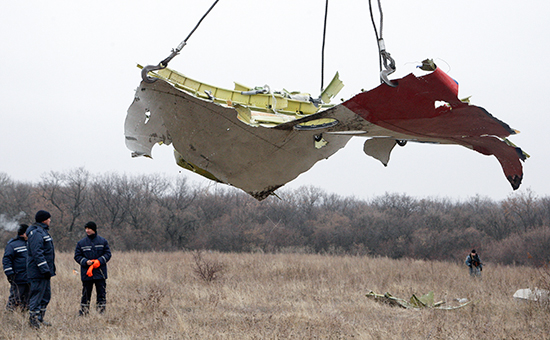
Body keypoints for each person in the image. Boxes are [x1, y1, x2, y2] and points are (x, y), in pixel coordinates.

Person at [74, 221, 111, 315]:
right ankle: (83, 312)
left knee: (101, 294)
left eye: (89, 229)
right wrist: (85, 262)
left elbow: (108, 254)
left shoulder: (103, 241)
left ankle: (101, 312)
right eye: (86, 229)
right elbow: (77, 256)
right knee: (86, 294)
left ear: (94, 229)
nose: (87, 230)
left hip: (100, 272)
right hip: (87, 273)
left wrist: (99, 261)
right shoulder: (81, 243)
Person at [26, 210, 56, 328]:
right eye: (48, 219)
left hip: (45, 272)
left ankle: (40, 318)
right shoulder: (36, 233)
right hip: (38, 272)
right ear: (44, 220)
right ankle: (33, 321)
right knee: (37, 295)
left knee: (45, 295)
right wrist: (44, 268)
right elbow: (37, 253)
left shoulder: (43, 232)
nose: (49, 221)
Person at [2, 224, 31, 311]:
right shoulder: (12, 245)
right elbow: (6, 260)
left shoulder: (30, 243)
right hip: (18, 278)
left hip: (29, 277)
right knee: (15, 298)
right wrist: (10, 274)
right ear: (24, 233)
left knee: (28, 300)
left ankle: (24, 317)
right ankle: (9, 316)